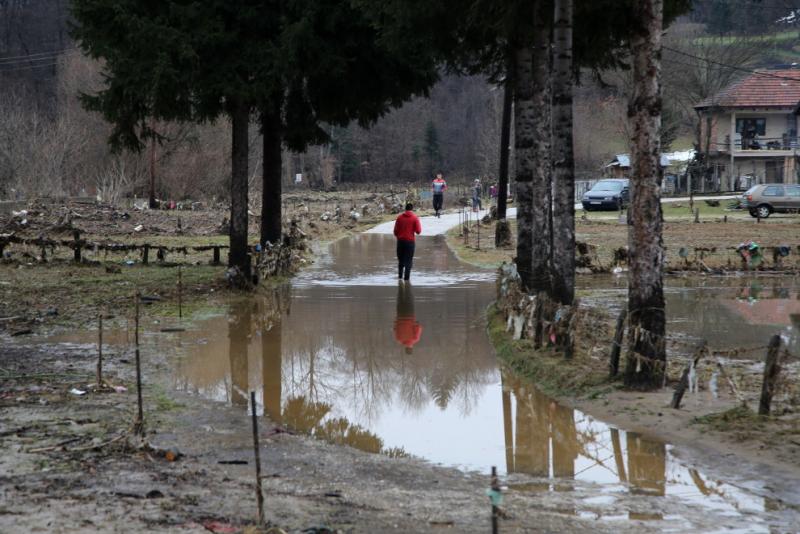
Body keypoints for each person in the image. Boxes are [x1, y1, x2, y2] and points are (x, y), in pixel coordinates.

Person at [393, 202, 422, 281]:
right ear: (412, 209)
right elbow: (418, 231)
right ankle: (406, 279)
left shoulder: (399, 218)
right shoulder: (415, 218)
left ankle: (399, 278)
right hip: (410, 242)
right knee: (408, 261)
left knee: (401, 260)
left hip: (400, 242)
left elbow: (395, 232)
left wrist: (399, 236)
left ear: (405, 209)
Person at [394, 283, 422, 354]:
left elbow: (418, 327)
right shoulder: (399, 339)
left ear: (411, 348)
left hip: (409, 314)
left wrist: (417, 324)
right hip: (400, 314)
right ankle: (400, 282)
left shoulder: (415, 339)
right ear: (405, 348)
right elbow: (395, 328)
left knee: (409, 294)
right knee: (400, 294)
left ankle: (407, 282)